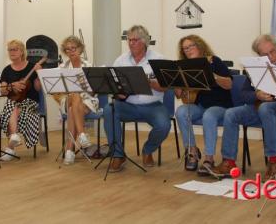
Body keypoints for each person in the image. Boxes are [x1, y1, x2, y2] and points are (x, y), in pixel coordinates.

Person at [212, 34, 276, 180]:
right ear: (259, 55)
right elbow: (244, 95)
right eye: (265, 54)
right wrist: (257, 95)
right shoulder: (256, 67)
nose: (271, 56)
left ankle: (274, 162)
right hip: (262, 108)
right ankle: (229, 162)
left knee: (266, 108)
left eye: (273, 51)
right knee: (231, 114)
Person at [103, 25, 171, 172]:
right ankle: (118, 155)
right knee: (109, 110)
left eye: (135, 40)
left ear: (145, 41)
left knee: (164, 125)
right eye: (129, 40)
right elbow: (114, 85)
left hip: (153, 105)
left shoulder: (158, 59)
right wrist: (118, 92)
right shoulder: (121, 60)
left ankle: (148, 150)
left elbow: (165, 87)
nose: (131, 43)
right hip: (127, 104)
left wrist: (149, 83)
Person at [174, 35, 233, 175]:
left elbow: (229, 84)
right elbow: (179, 95)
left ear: (200, 46)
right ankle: (192, 151)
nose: (188, 50)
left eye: (190, 46)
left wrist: (212, 75)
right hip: (200, 105)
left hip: (220, 106)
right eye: (185, 49)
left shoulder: (214, 61)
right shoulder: (185, 67)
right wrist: (176, 84)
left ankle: (209, 158)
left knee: (209, 115)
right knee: (181, 111)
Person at [55, 35, 99, 165]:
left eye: (73, 48)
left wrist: (84, 85)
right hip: (67, 99)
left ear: (80, 49)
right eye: (67, 49)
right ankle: (81, 134)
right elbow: (57, 92)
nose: (71, 51)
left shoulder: (89, 66)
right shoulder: (62, 67)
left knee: (72, 108)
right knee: (74, 95)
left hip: (88, 99)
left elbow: (94, 91)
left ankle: (69, 150)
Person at [0, 40, 42, 161]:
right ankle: (13, 139)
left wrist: (39, 74)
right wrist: (12, 85)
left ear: (22, 51)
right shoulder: (7, 70)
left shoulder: (32, 67)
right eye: (10, 49)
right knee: (13, 105)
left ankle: (10, 147)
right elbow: (2, 91)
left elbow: (38, 88)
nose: (11, 52)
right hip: (13, 103)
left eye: (15, 49)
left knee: (10, 108)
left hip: (30, 103)